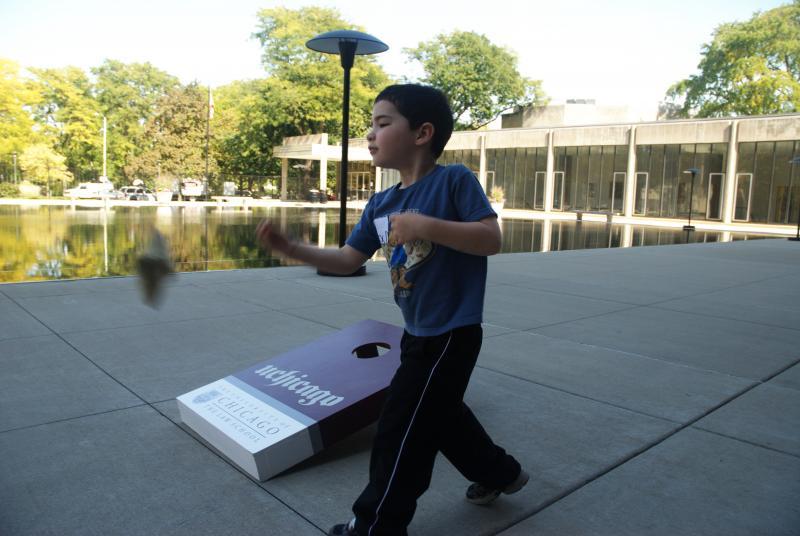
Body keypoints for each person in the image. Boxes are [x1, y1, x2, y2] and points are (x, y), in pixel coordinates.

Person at [255, 84, 527, 536]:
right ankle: (502, 474)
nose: (370, 134)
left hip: (453, 334)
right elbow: (347, 260)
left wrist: (425, 226)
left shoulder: (453, 180)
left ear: (422, 133)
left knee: (402, 429)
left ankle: (376, 526)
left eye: (383, 124)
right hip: (416, 333)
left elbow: (490, 239)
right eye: (371, 124)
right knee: (440, 416)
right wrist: (293, 248)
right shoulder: (381, 203)